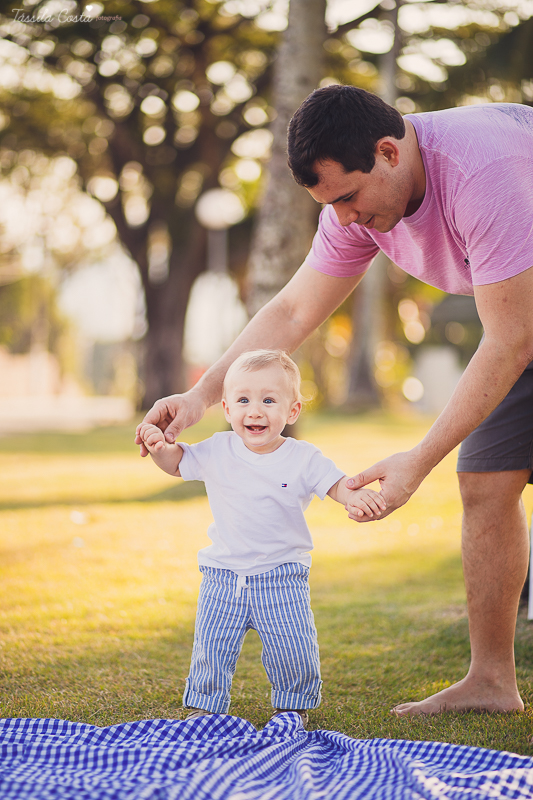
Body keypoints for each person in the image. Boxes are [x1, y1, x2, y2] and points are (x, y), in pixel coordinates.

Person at [136, 85, 533, 717]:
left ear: (388, 153)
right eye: (330, 204)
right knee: (485, 482)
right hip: (519, 328)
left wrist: (418, 459)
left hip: (518, 330)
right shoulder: (359, 204)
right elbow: (294, 311)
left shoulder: (483, 170)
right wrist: (201, 395)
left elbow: (511, 339)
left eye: (347, 198)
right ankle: (491, 682)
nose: (343, 219)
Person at [137, 349, 386, 723]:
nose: (255, 411)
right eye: (243, 400)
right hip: (223, 576)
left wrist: (354, 497)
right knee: (211, 647)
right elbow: (177, 462)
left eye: (269, 401)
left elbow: (335, 484)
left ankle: (292, 704)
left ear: (292, 411)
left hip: (281, 577)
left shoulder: (303, 457)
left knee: (293, 647)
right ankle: (206, 706)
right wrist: (159, 448)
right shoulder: (218, 449)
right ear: (226, 409)